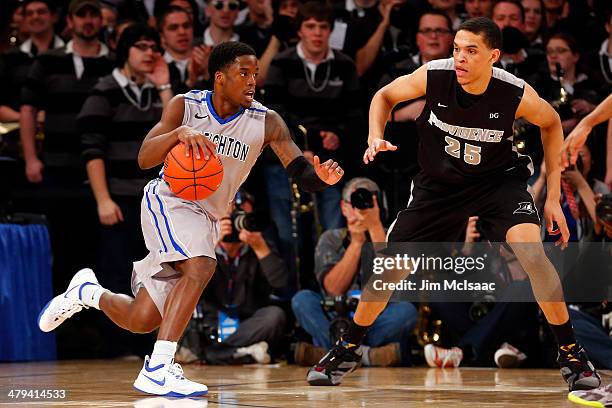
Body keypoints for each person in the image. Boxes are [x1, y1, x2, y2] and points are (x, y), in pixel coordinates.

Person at [306, 17, 601, 392]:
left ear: (493, 56)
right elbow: (384, 96)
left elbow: (553, 122)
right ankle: (347, 348)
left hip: (497, 183)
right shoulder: (435, 74)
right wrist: (374, 135)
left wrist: (554, 197)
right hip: (439, 187)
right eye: (457, 48)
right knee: (389, 269)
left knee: (533, 253)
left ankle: (572, 355)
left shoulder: (513, 91)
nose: (460, 57)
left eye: (471, 51)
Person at [37, 41, 344, 397]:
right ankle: (158, 366)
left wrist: (320, 179)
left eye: (255, 74)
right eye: (243, 73)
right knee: (200, 266)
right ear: (220, 77)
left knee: (143, 319)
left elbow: (299, 171)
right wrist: (177, 135)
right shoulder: (185, 105)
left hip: (208, 218)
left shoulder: (267, 121)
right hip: (168, 200)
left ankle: (88, 293)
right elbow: (144, 158)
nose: (251, 82)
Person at [291, 178, 417, 367]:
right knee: (302, 300)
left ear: (377, 205)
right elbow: (333, 289)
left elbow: (393, 281)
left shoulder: (391, 236)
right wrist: (356, 243)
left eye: (367, 200)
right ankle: (367, 355)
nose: (360, 208)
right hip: (335, 317)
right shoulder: (330, 238)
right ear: (343, 207)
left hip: (374, 319)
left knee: (406, 311)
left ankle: (334, 353)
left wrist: (374, 227)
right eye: (355, 201)